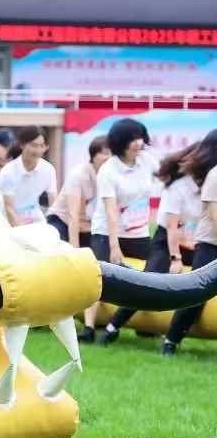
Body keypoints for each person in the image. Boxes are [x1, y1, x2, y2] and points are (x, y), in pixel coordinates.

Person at [99, 143, 202, 347]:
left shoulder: (208, 184)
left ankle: (171, 339)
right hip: (167, 243)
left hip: (194, 242)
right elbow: (171, 227)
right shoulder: (178, 187)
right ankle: (112, 328)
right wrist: (175, 258)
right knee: (147, 284)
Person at [88, 118, 156, 347]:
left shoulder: (146, 161)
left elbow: (166, 175)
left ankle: (139, 325)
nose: (138, 143)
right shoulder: (108, 171)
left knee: (154, 274)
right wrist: (114, 247)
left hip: (138, 232)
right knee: (99, 276)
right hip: (106, 232)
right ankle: (89, 327)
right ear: (120, 143)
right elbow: (110, 212)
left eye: (140, 137)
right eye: (132, 139)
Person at [46, 135, 110, 343]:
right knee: (64, 263)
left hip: (90, 226)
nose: (109, 157)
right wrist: (75, 251)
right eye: (105, 153)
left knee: (97, 268)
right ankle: (48, 314)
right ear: (94, 155)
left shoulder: (111, 176)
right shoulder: (79, 175)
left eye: (112, 153)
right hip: (63, 221)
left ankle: (90, 326)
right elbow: (73, 217)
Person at [163, 129, 217, 357]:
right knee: (197, 294)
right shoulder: (215, 175)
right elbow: (215, 215)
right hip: (211, 244)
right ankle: (170, 341)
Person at [0, 127, 57, 226]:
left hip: (34, 217)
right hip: (7, 219)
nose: (38, 150)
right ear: (22, 145)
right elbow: (9, 208)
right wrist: (19, 229)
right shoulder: (8, 172)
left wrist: (53, 224)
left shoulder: (48, 169)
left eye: (42, 146)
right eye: (34, 145)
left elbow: (53, 200)